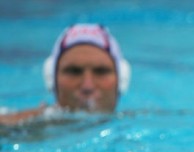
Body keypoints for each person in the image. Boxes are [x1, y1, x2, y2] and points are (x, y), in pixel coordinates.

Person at [0, 23, 130, 126]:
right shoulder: (22, 127)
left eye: (101, 71)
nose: (87, 86)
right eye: (74, 71)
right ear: (52, 79)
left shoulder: (137, 124)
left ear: (122, 80)